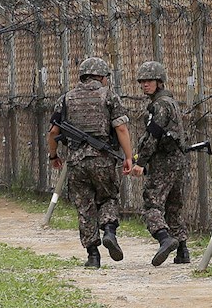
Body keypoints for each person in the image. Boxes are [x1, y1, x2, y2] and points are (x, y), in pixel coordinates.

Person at [48, 56, 136, 268]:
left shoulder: (66, 98)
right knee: (108, 197)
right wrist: (129, 157)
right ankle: (109, 231)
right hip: (103, 159)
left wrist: (54, 156)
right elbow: (121, 128)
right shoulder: (109, 96)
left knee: (85, 206)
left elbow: (53, 131)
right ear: (102, 77)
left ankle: (93, 256)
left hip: (76, 162)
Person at [131, 59, 190, 266]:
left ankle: (164, 238)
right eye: (142, 81)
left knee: (152, 203)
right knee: (174, 206)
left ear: (159, 82)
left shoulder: (161, 105)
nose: (144, 85)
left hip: (164, 161)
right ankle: (182, 251)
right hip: (177, 161)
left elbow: (153, 135)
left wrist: (141, 161)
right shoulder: (170, 102)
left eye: (149, 81)